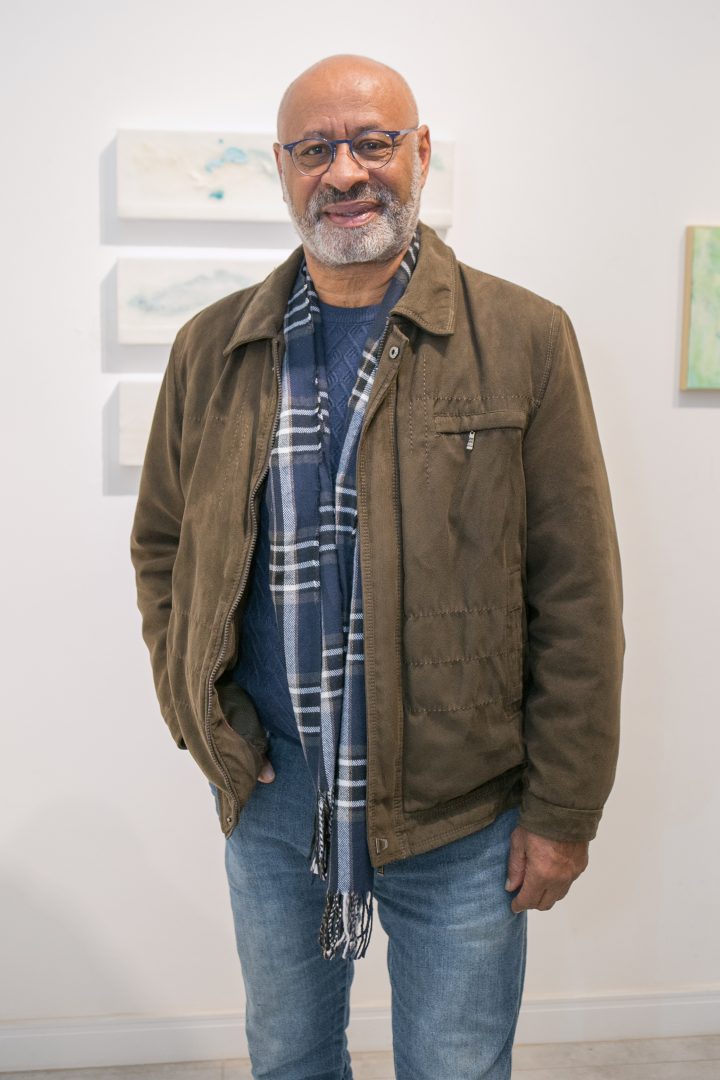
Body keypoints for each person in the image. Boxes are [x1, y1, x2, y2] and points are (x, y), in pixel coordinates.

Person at [130, 53, 624, 1080]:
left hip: (463, 814)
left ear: (421, 152)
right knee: (289, 1059)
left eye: (373, 142)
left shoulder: (524, 338)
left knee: (456, 1066)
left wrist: (564, 811)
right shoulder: (211, 348)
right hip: (274, 801)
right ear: (281, 168)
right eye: (315, 149)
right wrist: (199, 716)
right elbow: (164, 547)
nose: (346, 172)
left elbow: (576, 592)